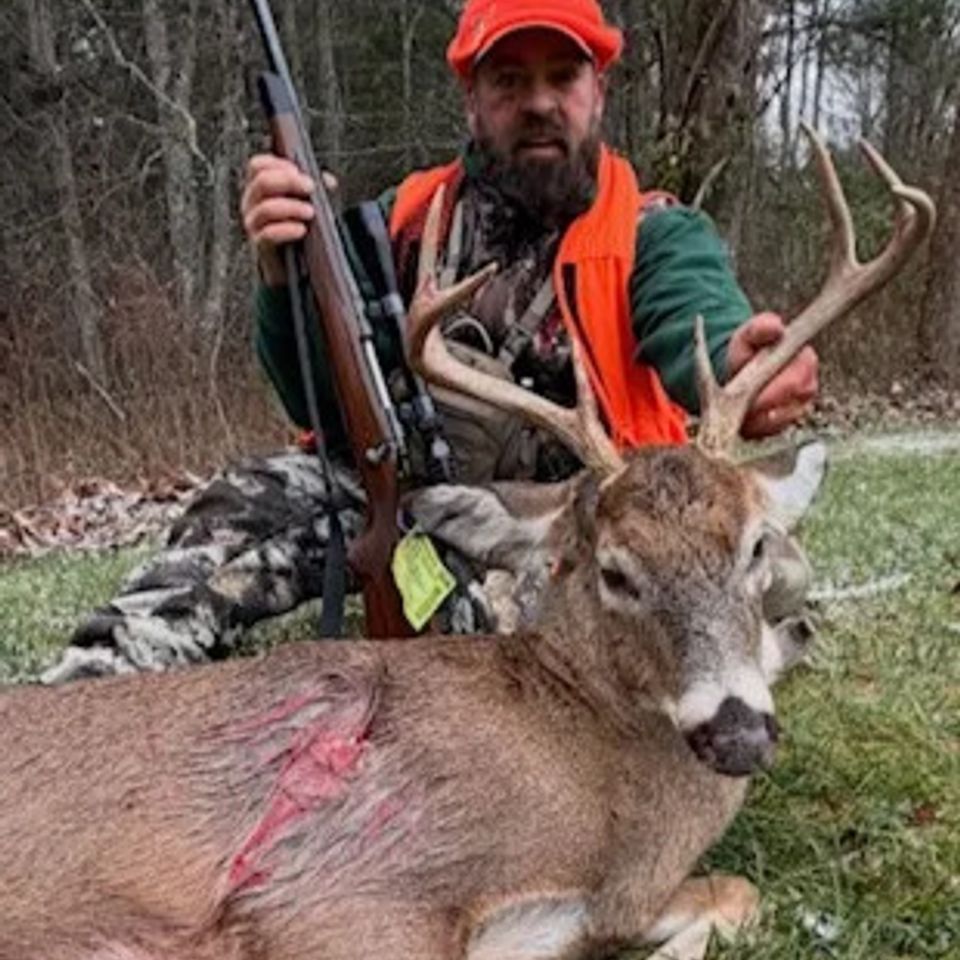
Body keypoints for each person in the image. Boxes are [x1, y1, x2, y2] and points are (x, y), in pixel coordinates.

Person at [42, 0, 817, 684]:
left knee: (502, 672)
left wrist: (736, 366)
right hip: (403, 492)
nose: (539, 102)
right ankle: (94, 689)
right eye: (508, 81)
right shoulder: (404, 220)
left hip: (573, 533)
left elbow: (697, 320)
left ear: (598, 91)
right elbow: (312, 388)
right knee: (238, 509)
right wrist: (281, 278)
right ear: (471, 99)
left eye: (561, 77)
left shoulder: (654, 232)